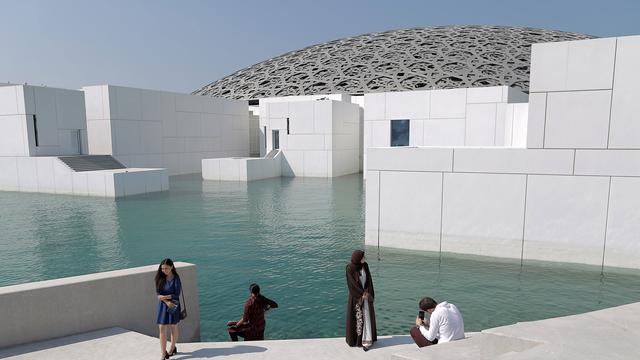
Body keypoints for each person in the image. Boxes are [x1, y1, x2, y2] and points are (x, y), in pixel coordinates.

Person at [345, 250, 377, 351]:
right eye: (363, 257)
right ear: (358, 258)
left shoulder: (365, 266)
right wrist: (361, 294)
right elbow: (351, 284)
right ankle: (357, 340)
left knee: (367, 317)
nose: (365, 259)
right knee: (359, 318)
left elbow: (369, 280)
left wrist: (367, 292)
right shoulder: (349, 268)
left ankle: (367, 340)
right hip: (357, 298)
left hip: (366, 295)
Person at [155, 258, 183, 359]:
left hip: (173, 305)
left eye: (166, 268)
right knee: (161, 327)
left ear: (171, 267)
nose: (164, 270)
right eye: (162, 268)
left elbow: (177, 294)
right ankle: (163, 353)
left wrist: (165, 297)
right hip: (163, 305)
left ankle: (172, 348)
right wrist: (166, 301)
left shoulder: (176, 278)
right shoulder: (159, 278)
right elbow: (158, 294)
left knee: (173, 326)